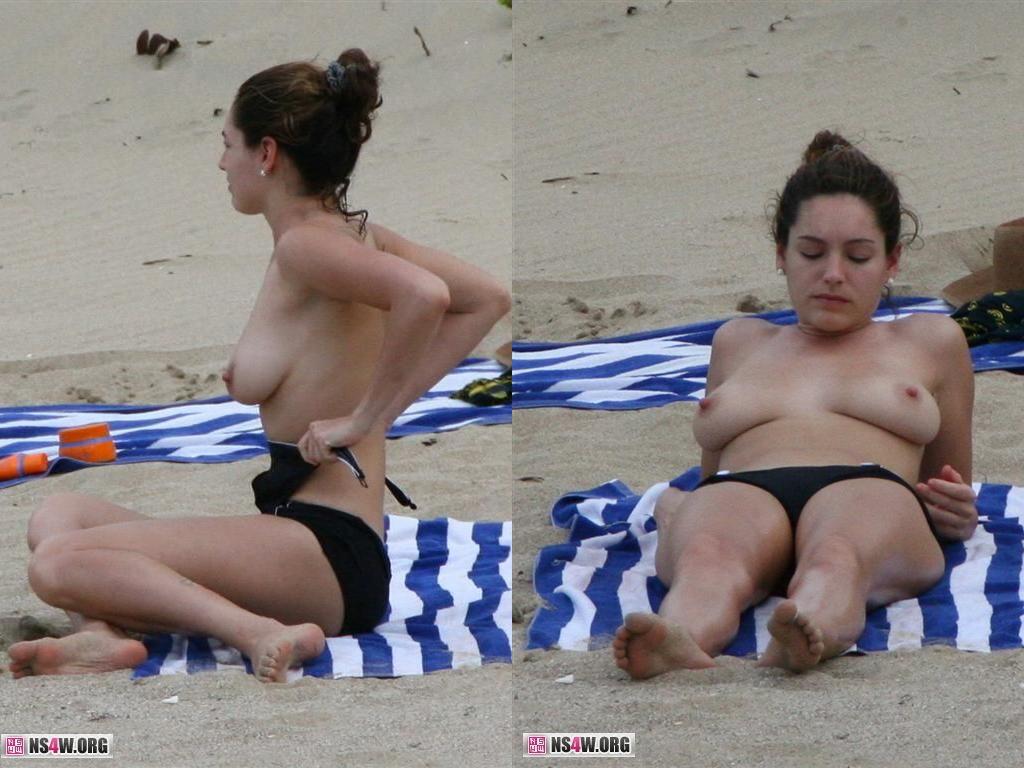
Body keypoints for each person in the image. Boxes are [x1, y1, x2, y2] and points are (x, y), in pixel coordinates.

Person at [7, 50, 509, 683]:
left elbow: (429, 296)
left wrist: (366, 418)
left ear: (266, 153)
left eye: (228, 145)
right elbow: (485, 298)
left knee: (55, 565)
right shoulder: (351, 236)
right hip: (302, 541)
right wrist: (378, 408)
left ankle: (255, 632)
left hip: (328, 554)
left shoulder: (307, 246)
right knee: (58, 517)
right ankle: (102, 635)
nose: (223, 163)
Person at [612, 131, 977, 677]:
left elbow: (947, 484)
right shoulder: (739, 341)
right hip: (743, 487)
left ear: (892, 260)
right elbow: (712, 474)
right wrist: (679, 512)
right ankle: (679, 637)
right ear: (781, 254)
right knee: (708, 557)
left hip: (867, 486)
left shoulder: (930, 340)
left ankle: (809, 628)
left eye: (858, 256)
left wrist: (958, 510)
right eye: (811, 252)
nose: (832, 273)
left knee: (838, 555)